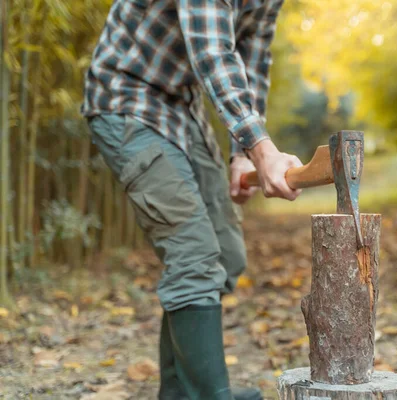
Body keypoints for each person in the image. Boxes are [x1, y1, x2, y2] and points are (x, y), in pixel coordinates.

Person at [81, 0, 302, 399]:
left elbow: (252, 55)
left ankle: (180, 394)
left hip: (181, 108)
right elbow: (213, 52)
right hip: (126, 95)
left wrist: (240, 153)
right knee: (194, 253)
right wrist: (262, 150)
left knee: (225, 253)